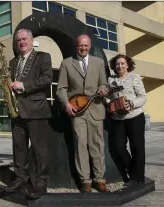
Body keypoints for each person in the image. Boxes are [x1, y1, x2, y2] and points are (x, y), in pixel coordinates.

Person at [4, 28, 53, 199]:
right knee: (19, 149)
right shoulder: (12, 62)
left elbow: (47, 79)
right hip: (17, 112)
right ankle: (20, 178)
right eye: (18, 40)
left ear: (32, 41)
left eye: (24, 39)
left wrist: (22, 85)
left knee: (40, 150)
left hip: (37, 110)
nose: (21, 42)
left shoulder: (43, 57)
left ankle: (41, 184)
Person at [56, 34, 108, 193]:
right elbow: (61, 88)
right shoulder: (66, 63)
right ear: (76, 46)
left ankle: (99, 179)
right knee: (80, 146)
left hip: (95, 110)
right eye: (80, 46)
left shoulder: (99, 63)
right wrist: (66, 104)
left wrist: (102, 89)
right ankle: (85, 181)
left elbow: (103, 83)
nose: (83, 48)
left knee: (97, 146)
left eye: (86, 46)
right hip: (77, 112)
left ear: (90, 46)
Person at [106, 54, 147, 186]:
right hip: (118, 118)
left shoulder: (135, 78)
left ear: (128, 65)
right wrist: (110, 103)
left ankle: (138, 178)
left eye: (123, 63)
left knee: (137, 147)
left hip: (135, 117)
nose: (120, 66)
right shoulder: (110, 80)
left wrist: (132, 104)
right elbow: (106, 97)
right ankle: (132, 171)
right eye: (117, 64)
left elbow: (143, 97)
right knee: (118, 147)